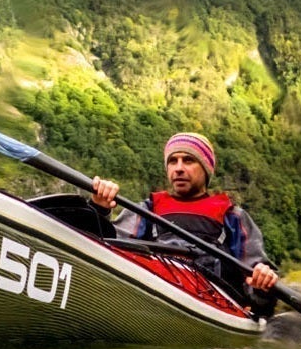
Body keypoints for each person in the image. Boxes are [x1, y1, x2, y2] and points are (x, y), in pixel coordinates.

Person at [88, 131, 278, 313]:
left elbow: (256, 281)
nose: (178, 168)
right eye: (172, 161)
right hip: (156, 298)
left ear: (205, 169)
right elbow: (107, 247)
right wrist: (100, 208)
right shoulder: (147, 209)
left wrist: (263, 282)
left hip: (215, 308)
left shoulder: (233, 216)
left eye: (188, 160)